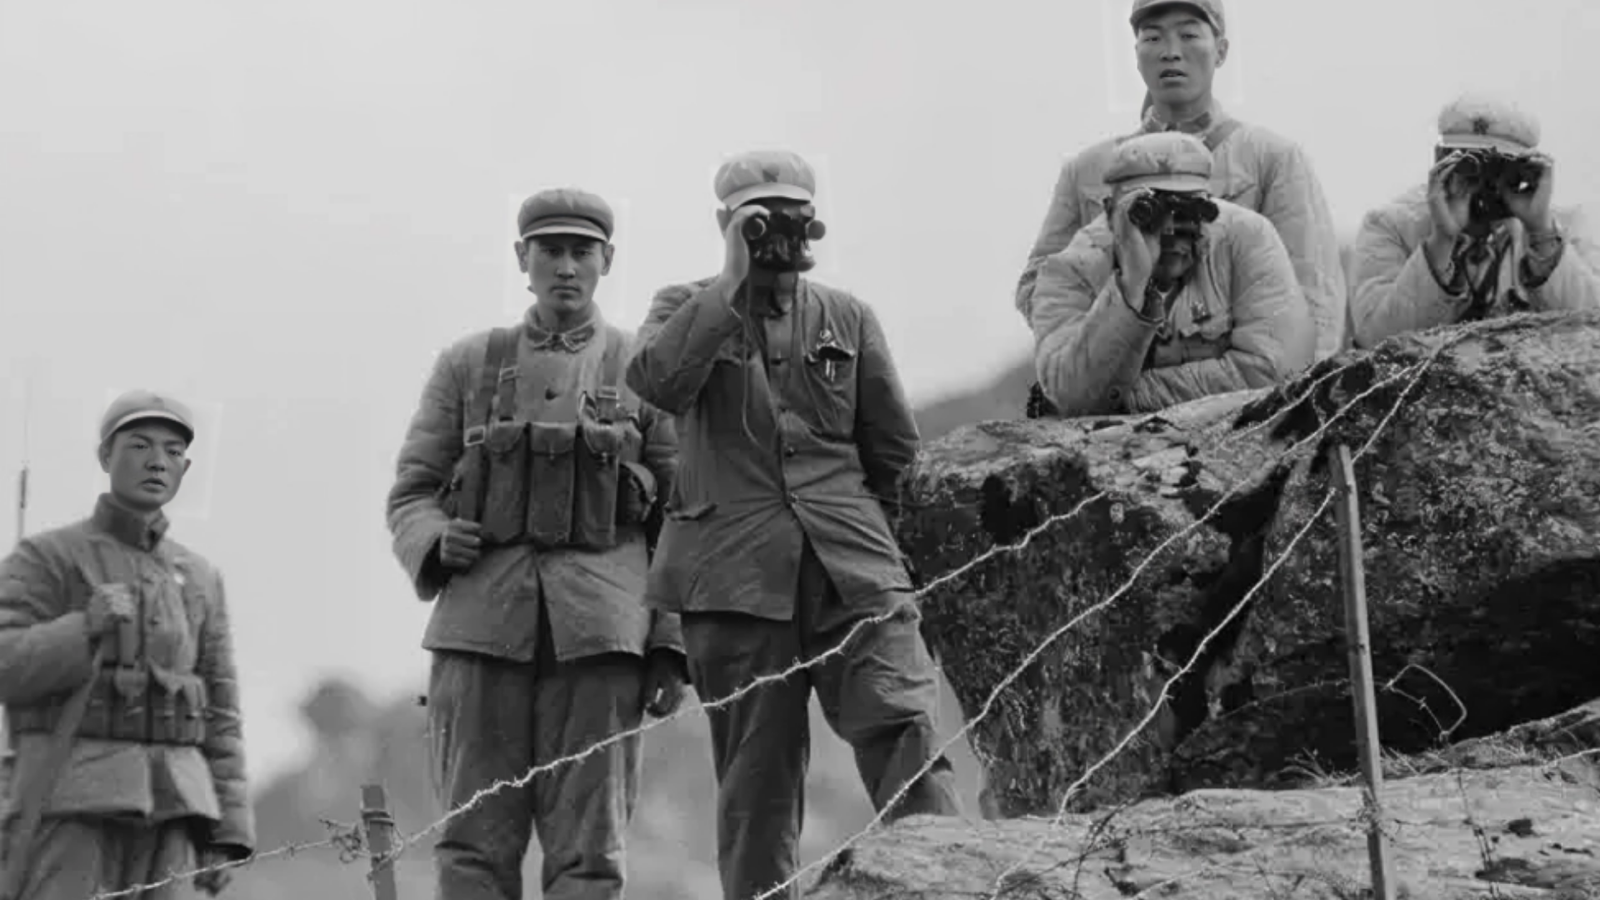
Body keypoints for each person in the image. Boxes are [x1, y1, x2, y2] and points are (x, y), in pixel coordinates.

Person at [625, 150, 964, 900]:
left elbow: (894, 455)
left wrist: (902, 570)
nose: (778, 234)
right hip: (734, 585)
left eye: (792, 217)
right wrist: (729, 281)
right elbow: (654, 382)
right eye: (759, 220)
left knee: (905, 731)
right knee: (757, 789)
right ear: (725, 224)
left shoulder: (847, 317)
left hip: (854, 574)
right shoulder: (685, 306)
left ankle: (955, 890)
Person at [386, 187, 688, 900]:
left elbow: (684, 518)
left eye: (582, 251)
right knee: (471, 847)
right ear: (522, 257)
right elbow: (411, 492)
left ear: (607, 260)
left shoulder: (645, 371)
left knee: (589, 855)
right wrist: (435, 540)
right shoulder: (467, 366)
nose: (566, 267)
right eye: (550, 250)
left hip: (602, 643)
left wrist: (669, 644)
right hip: (479, 637)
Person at [0, 390, 253, 900]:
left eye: (173, 452)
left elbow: (221, 712)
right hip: (69, 800)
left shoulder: (200, 578)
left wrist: (226, 831)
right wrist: (83, 628)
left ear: (185, 469)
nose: (158, 461)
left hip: (176, 808)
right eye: (139, 445)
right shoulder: (46, 557)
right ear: (105, 457)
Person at [1015, 0, 1347, 362]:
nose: (1171, 52)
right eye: (1153, 37)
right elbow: (1039, 287)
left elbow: (1316, 299)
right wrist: (1108, 325)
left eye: (1188, 35)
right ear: (1136, 54)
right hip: (1118, 382)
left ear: (1221, 50)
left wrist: (1299, 386)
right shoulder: (1087, 171)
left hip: (1241, 378)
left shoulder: (1271, 159)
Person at [1031, 131, 1316, 416]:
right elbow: (1072, 396)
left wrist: (1126, 397)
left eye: (1187, 211)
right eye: (1151, 213)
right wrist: (1131, 286)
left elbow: (1277, 370)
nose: (1169, 229)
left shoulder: (1247, 238)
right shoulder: (1071, 271)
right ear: (1110, 211)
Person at [1349, 94, 1600, 347]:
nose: (1484, 185)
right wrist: (1441, 243)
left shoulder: (1565, 229)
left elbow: (1592, 335)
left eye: (1500, 170)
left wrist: (1542, 234)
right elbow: (1375, 341)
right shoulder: (1390, 225)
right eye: (1468, 168)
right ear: (1441, 161)